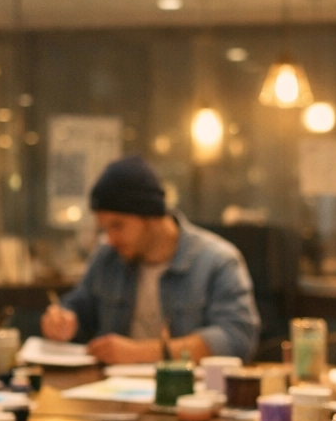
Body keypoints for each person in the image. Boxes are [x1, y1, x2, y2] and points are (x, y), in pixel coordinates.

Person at [40, 156, 260, 364]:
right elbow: (80, 306)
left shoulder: (217, 261)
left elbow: (236, 338)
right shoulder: (107, 257)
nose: (110, 238)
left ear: (152, 217)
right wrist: (64, 320)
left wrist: (139, 353)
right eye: (104, 228)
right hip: (112, 394)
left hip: (187, 394)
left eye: (118, 226)